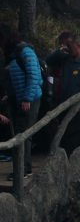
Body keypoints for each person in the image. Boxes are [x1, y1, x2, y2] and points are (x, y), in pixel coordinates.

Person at [3, 31, 42, 179]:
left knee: (23, 133)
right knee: (20, 133)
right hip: (18, 100)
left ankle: (23, 170)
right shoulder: (12, 54)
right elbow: (16, 77)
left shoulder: (25, 51)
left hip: (29, 100)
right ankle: (24, 168)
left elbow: (34, 76)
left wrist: (26, 98)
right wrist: (11, 96)